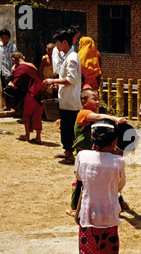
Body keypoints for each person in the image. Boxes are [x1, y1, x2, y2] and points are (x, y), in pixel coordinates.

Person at [75, 118, 126, 254]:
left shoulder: (82, 156)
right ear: (114, 142)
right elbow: (120, 186)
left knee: (88, 248)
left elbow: (79, 177)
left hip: (89, 213)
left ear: (92, 137)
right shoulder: (118, 161)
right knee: (110, 238)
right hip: (110, 212)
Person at [68, 88, 126, 216]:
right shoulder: (83, 114)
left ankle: (119, 200)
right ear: (84, 102)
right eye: (94, 99)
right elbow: (99, 116)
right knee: (81, 181)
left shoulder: (95, 117)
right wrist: (116, 119)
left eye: (98, 99)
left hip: (96, 153)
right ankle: (74, 207)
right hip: (83, 153)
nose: (98, 102)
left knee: (107, 176)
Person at [43, 28, 82, 164]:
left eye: (58, 43)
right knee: (65, 127)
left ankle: (71, 154)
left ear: (64, 42)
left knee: (70, 128)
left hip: (71, 101)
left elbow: (71, 79)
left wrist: (54, 81)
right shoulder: (67, 56)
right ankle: (67, 151)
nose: (56, 46)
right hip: (66, 100)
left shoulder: (72, 58)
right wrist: (58, 84)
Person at [8, 52, 45, 144]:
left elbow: (16, 83)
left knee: (27, 113)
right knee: (37, 114)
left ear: (13, 59)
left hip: (32, 91)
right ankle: (38, 137)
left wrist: (10, 83)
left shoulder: (21, 68)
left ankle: (27, 135)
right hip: (40, 90)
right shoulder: (31, 65)